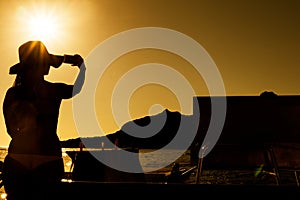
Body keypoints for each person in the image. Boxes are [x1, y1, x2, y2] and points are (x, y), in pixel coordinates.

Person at [2, 41, 86, 200]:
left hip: (17, 156)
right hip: (49, 154)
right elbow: (78, 88)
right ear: (44, 66)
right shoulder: (54, 90)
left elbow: (9, 129)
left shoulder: (13, 93)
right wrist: (82, 67)